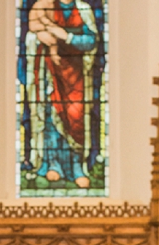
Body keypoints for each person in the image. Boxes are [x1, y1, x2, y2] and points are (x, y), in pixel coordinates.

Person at [21, 0, 104, 190]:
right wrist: (39, 37)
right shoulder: (46, 4)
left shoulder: (83, 10)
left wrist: (67, 37)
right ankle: (51, 163)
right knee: (51, 114)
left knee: (76, 116)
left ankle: (76, 166)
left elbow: (91, 41)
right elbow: (33, 33)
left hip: (76, 75)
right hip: (50, 73)